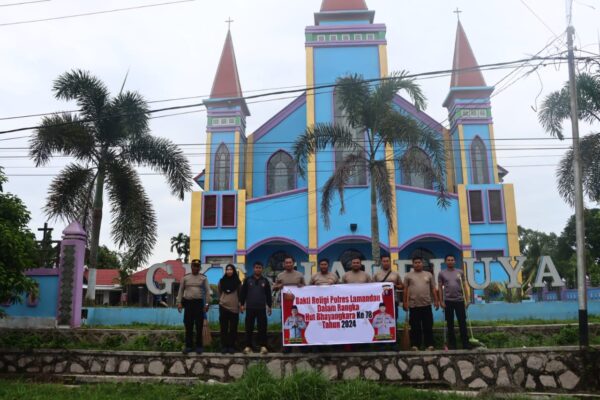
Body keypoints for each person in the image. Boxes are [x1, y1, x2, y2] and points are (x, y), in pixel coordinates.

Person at [403, 256, 439, 351]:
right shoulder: (408, 276)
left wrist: (436, 300)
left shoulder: (429, 275)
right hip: (413, 305)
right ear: (413, 264)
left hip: (426, 304)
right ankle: (415, 345)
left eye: (419, 262)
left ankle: (429, 345)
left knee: (428, 325)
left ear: (422, 263)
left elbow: (433, 288)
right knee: (415, 326)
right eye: (416, 262)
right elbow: (405, 289)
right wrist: (405, 302)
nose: (418, 264)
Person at [177, 259, 211, 354]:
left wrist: (207, 304)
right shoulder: (185, 278)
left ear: (199, 268)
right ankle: (189, 346)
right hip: (188, 304)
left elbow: (208, 291)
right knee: (188, 325)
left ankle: (199, 346)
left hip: (199, 304)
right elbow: (180, 291)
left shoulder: (203, 278)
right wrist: (179, 302)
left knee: (199, 325)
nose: (195, 268)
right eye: (194, 266)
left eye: (197, 266)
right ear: (191, 267)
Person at [438, 254, 470, 350]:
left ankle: (465, 343)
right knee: (450, 324)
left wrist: (467, 299)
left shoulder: (460, 272)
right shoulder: (442, 273)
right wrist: (441, 301)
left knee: (462, 323)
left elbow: (464, 286)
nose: (450, 261)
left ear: (455, 261)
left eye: (452, 260)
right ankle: (452, 345)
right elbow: (440, 288)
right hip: (448, 301)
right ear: (445, 261)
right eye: (448, 260)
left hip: (460, 301)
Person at [239, 261, 272, 354]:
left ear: (262, 269)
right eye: (256, 267)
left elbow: (268, 295)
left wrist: (269, 306)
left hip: (261, 308)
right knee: (249, 328)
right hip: (250, 308)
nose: (258, 269)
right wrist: (241, 304)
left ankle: (263, 346)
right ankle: (248, 346)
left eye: (260, 267)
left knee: (262, 328)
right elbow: (243, 293)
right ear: (253, 269)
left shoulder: (265, 281)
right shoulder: (247, 280)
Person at [218, 264, 241, 354]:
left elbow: (240, 294)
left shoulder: (238, 282)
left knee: (233, 328)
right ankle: (224, 346)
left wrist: (240, 304)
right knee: (223, 328)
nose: (229, 271)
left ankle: (231, 346)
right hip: (223, 307)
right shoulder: (221, 281)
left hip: (234, 308)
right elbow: (219, 292)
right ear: (225, 271)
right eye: (227, 269)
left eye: (231, 269)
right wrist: (222, 300)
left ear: (233, 271)